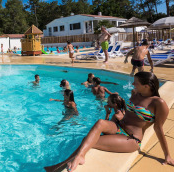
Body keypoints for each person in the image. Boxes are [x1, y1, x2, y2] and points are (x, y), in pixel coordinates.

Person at [44, 72, 174, 172]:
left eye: (136, 83)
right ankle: (75, 158)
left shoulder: (158, 103)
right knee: (99, 123)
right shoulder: (135, 93)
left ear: (147, 86)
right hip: (118, 126)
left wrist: (167, 155)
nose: (133, 85)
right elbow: (125, 110)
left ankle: (64, 164)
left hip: (131, 138)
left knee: (89, 142)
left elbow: (159, 128)